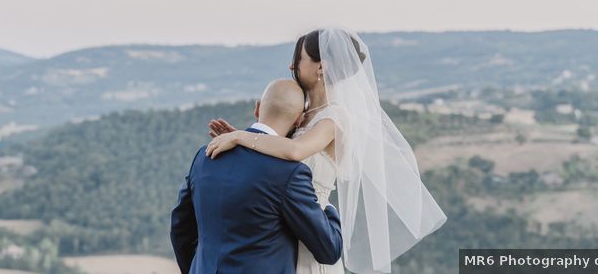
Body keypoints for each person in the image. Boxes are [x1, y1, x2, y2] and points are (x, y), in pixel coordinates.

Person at [206, 28, 447, 274]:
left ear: (321, 68)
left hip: (311, 237)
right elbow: (278, 160)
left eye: (298, 59)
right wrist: (248, 139)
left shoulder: (335, 118)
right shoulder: (303, 115)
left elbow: (295, 151)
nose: (291, 66)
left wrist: (243, 137)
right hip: (281, 238)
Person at [170, 79, 343, 274]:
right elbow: (329, 250)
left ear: (257, 108)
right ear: (298, 120)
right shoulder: (289, 172)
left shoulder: (205, 155)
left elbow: (180, 228)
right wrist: (327, 205)